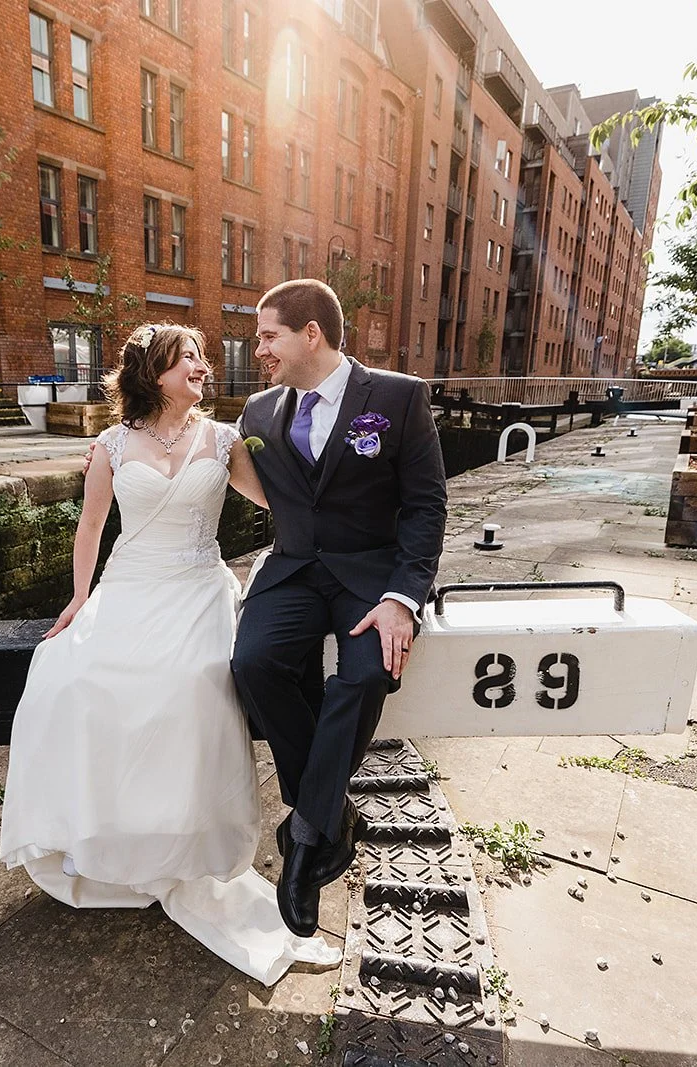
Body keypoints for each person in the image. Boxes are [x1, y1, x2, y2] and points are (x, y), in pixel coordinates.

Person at [0, 322, 341, 986]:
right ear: (154, 371)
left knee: (193, 688)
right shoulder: (110, 444)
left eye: (202, 357)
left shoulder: (222, 439)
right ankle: (118, 839)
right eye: (187, 357)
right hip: (129, 587)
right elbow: (93, 524)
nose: (202, 365)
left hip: (196, 590)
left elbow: (280, 505)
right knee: (70, 679)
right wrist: (77, 599)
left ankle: (189, 847)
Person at [230, 279, 448, 937]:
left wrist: (402, 600)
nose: (259, 347)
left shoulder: (399, 398)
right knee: (254, 662)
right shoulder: (260, 411)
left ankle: (304, 835)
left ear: (310, 333)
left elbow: (426, 504)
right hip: (293, 568)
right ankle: (331, 814)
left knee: (362, 675)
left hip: (368, 577)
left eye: (268, 335)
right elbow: (270, 488)